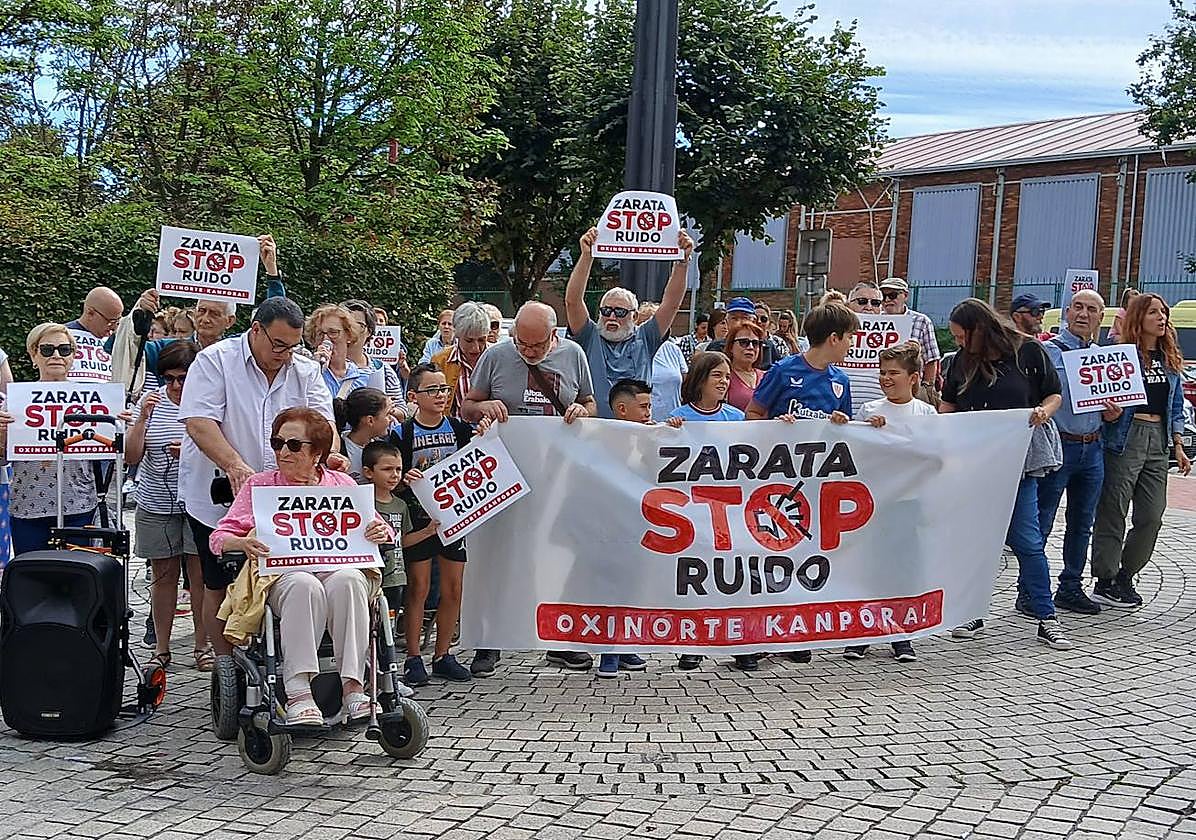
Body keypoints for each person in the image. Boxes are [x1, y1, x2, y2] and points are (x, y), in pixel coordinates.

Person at [209, 407, 393, 725]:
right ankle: (298, 693)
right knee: (302, 584)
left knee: (349, 580)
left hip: (337, 569)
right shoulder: (261, 486)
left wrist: (380, 531)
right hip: (283, 576)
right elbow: (219, 537)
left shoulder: (341, 485)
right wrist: (241, 543)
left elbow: (381, 529)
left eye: (293, 445)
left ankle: (354, 688)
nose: (283, 451)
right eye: (277, 443)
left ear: (317, 452)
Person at [178, 297, 338, 660]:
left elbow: (324, 424)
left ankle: (284, 657)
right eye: (278, 344)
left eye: (293, 346)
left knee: (292, 575)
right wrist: (235, 465)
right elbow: (199, 423)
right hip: (218, 494)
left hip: (288, 496)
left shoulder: (305, 370)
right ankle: (224, 666)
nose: (285, 353)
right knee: (218, 581)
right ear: (255, 330)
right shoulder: (215, 360)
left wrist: (326, 458)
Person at [462, 301, 597, 674]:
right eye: (521, 343)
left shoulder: (574, 355)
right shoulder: (495, 356)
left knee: (554, 556)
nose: (528, 351)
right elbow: (467, 407)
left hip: (556, 473)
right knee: (497, 555)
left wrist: (583, 411)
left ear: (554, 336)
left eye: (536, 346)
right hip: (503, 474)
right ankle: (489, 641)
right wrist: (486, 405)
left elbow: (589, 401)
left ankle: (558, 641)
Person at [939, 298, 1072, 650]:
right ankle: (972, 611)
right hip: (974, 465)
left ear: (979, 329)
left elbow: (1054, 394)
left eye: (961, 336)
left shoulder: (1029, 352)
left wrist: (1043, 411)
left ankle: (1047, 616)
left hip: (1017, 464)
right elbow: (949, 404)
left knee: (1026, 540)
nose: (959, 344)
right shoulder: (960, 363)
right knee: (978, 541)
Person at [1091, 293, 1191, 608]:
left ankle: (1126, 574)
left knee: (1151, 515)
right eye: (1153, 313)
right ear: (1138, 318)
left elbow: (1176, 405)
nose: (1161, 318)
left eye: (1163, 312)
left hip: (1158, 441)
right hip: (1126, 436)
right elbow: (1101, 398)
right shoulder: (1122, 356)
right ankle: (1105, 579)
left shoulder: (1169, 357)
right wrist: (1109, 413)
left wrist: (1178, 443)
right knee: (1113, 510)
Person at [391, 363, 486, 685]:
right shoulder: (402, 433)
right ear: (413, 396)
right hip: (419, 521)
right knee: (419, 587)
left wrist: (485, 434)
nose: (441, 396)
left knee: (454, 588)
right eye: (432, 390)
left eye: (444, 389)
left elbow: (479, 458)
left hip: (454, 518)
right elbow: (389, 474)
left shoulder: (459, 429)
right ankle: (414, 657)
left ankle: (444, 654)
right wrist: (403, 478)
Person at [847, 340, 935, 664]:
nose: (886, 379)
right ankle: (863, 632)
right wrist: (868, 434)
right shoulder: (870, 410)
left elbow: (933, 455)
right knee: (871, 567)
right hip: (873, 503)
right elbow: (854, 454)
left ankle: (901, 635)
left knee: (902, 569)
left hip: (908, 502)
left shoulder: (925, 413)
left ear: (913, 377)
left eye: (893, 373)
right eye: (882, 373)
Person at [110, 234, 285, 394]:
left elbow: (274, 325)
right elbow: (117, 347)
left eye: (215, 314)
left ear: (230, 321)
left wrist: (272, 272)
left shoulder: (239, 348)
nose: (205, 319)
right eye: (201, 311)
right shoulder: (170, 348)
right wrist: (138, 313)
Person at [125, 340, 209, 671]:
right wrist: (141, 419)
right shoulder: (151, 403)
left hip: (198, 501)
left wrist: (188, 453)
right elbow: (132, 456)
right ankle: (161, 648)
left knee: (200, 575)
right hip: (157, 503)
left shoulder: (208, 402)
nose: (175, 385)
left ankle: (202, 646)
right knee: (163, 576)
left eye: (182, 378)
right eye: (169, 378)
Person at [565, 226, 694, 417]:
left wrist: (682, 263)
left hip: (637, 432)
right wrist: (587, 255)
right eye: (606, 310)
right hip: (595, 434)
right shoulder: (589, 335)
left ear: (634, 317)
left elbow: (671, 304)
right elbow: (572, 301)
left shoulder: (645, 337)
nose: (611, 317)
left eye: (620, 312)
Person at [1037, 290, 1109, 616]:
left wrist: (1115, 412)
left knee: (1082, 524)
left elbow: (1114, 407)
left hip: (1092, 447)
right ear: (1066, 312)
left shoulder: (1105, 357)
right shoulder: (1047, 351)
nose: (1083, 314)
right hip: (1059, 445)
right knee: (1042, 523)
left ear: (1100, 318)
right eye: (1077, 307)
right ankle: (1031, 592)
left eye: (1091, 309)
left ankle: (1070, 587)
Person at [0, 325, 97, 555]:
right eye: (46, 349)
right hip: (27, 506)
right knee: (33, 581)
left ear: (73, 356)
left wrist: (118, 423)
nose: (56, 355)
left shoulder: (93, 400)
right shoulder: (15, 402)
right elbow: (2, 461)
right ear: (33, 355)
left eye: (64, 349)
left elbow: (113, 456)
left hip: (79, 505)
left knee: (77, 581)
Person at [595, 379, 654, 678]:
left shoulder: (650, 436)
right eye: (642, 407)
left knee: (631, 587)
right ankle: (609, 650)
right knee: (613, 588)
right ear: (621, 409)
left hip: (640, 527)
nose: (648, 412)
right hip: (611, 529)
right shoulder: (605, 440)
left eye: (649, 406)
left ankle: (623, 644)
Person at [746, 303, 857, 424]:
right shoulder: (782, 370)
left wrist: (839, 421)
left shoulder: (841, 380)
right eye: (850, 337)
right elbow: (752, 413)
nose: (852, 344)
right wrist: (775, 424)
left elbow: (847, 428)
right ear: (834, 338)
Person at [340, 299, 406, 413]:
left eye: (358, 325)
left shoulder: (382, 369)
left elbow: (402, 411)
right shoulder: (322, 367)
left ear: (369, 331)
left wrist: (384, 408)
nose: (351, 331)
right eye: (346, 325)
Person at [879, 277, 942, 393]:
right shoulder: (874, 321)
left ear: (906, 296)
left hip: (912, 388)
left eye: (892, 295)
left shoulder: (921, 321)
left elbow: (931, 359)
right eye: (883, 296)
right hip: (880, 386)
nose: (887, 299)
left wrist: (927, 387)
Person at [430, 302, 492, 419]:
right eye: (469, 341)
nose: (476, 348)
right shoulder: (441, 361)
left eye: (481, 340)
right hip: (455, 432)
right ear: (457, 335)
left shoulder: (497, 358)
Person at [306, 304, 371, 400]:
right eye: (320, 334)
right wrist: (316, 369)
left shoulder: (364, 377)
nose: (326, 339)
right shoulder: (305, 373)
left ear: (349, 335)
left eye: (333, 333)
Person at [635, 303, 687, 421]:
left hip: (674, 422)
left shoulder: (673, 349)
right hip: (644, 424)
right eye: (645, 323)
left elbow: (685, 383)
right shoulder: (633, 350)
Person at [844, 281, 887, 415]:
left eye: (875, 303)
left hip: (878, 415)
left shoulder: (897, 336)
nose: (869, 307)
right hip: (839, 412)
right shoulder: (833, 331)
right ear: (848, 305)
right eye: (862, 301)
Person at [704, 298, 778, 370]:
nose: (738, 323)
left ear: (753, 321)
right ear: (726, 322)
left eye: (744, 318)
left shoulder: (767, 347)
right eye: (734, 318)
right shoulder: (715, 348)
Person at [334, 387, 391, 478]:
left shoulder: (382, 447)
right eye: (388, 414)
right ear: (370, 420)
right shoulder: (338, 450)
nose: (391, 419)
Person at [723, 320, 766, 412]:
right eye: (743, 342)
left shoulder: (767, 377)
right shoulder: (723, 377)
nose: (750, 347)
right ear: (731, 347)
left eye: (755, 343)